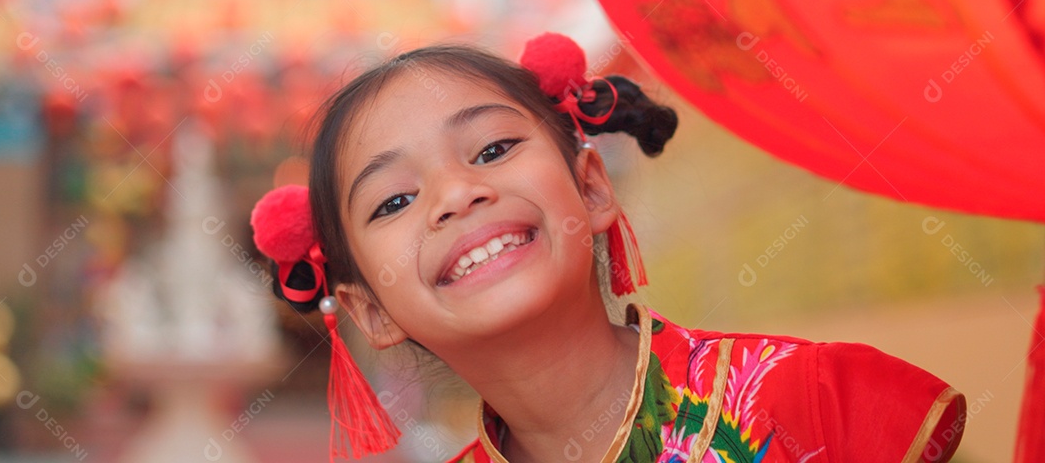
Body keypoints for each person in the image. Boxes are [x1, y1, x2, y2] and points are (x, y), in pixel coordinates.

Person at [250, 33, 965, 462]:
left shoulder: (821, 401)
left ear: (591, 188)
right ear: (367, 309)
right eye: (395, 201)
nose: (457, 195)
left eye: (494, 148)